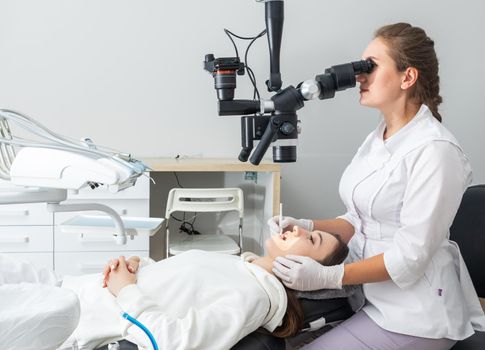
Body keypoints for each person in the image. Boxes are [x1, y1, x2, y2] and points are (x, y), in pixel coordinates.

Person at [270, 22, 485, 350]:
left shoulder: (436, 151)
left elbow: (410, 257)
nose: (360, 76)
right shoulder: (379, 137)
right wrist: (307, 224)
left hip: (415, 315)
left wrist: (331, 276)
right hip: (370, 300)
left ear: (407, 77)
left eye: (370, 66)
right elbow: (359, 220)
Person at [56, 226, 349, 350]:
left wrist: (125, 291)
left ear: (309, 272)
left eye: (311, 239)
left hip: (69, 324)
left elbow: (177, 342)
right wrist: (139, 264)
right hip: (72, 292)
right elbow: (178, 285)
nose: (297, 229)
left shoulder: (255, 297)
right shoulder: (241, 268)